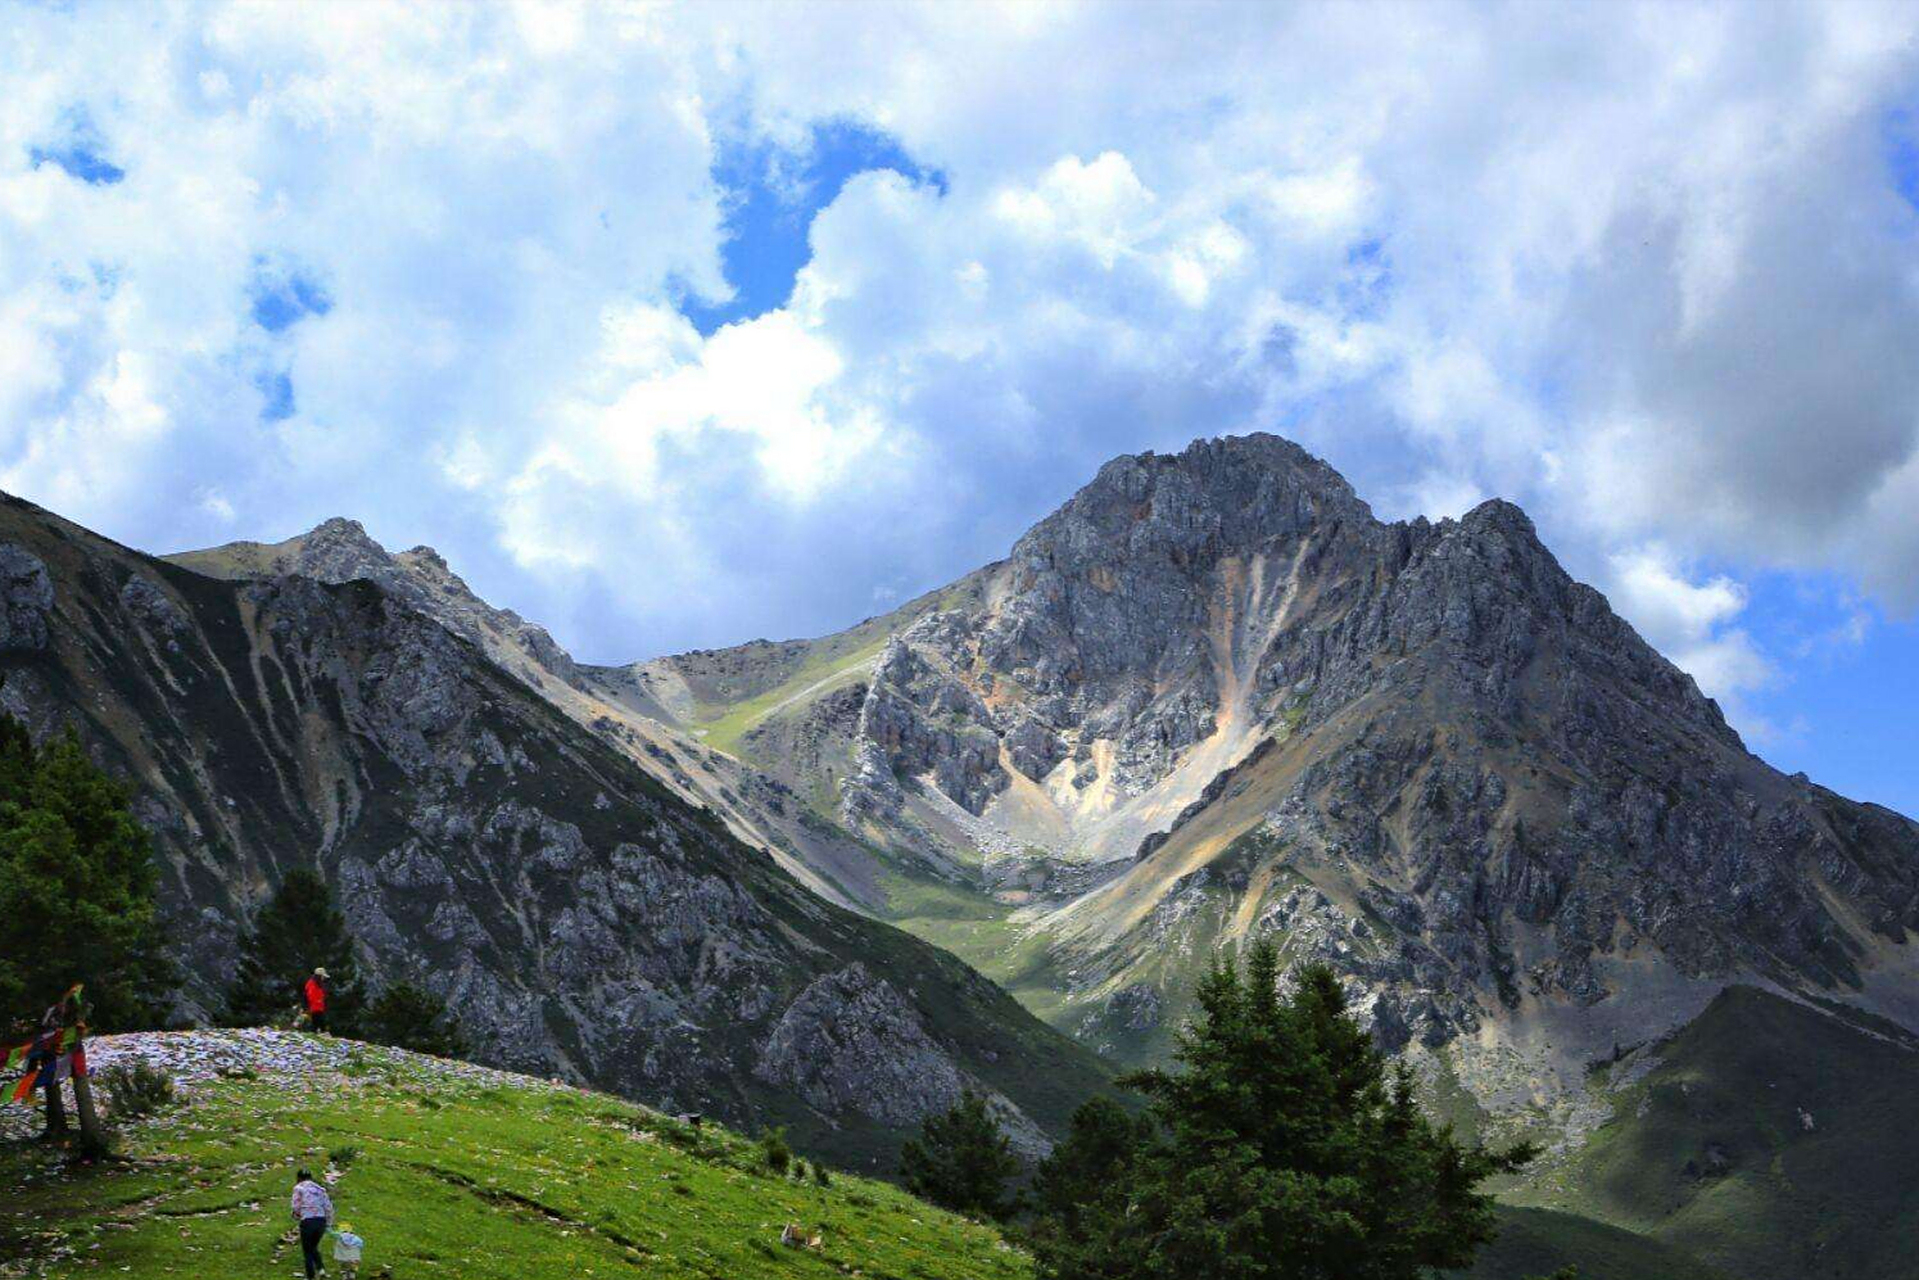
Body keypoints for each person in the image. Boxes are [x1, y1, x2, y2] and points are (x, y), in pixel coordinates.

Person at [291, 1169, 335, 1279]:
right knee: (313, 1246)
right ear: (311, 1177)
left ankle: (311, 1276)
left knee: (307, 1250)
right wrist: (329, 1223)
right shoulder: (320, 1189)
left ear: (298, 1178)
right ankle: (321, 1270)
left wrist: (297, 1215)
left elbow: (296, 1206)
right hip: (321, 1221)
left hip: (308, 1221)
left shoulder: (299, 1188)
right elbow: (328, 1207)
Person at [302, 969, 329, 1034]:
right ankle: (323, 1033)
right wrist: (318, 1001)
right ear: (319, 976)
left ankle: (317, 1033)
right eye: (323, 976)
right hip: (315, 1006)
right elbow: (311, 995)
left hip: (317, 1006)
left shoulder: (317, 983)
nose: (323, 978)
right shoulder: (313, 983)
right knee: (319, 1021)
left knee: (316, 1022)